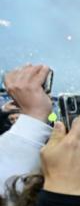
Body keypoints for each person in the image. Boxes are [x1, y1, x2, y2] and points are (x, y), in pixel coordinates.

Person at [0, 64, 53, 192]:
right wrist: (36, 114)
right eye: (12, 119)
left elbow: (52, 119)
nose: (14, 120)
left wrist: (39, 114)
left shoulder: (48, 123)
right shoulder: (8, 130)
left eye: (16, 118)